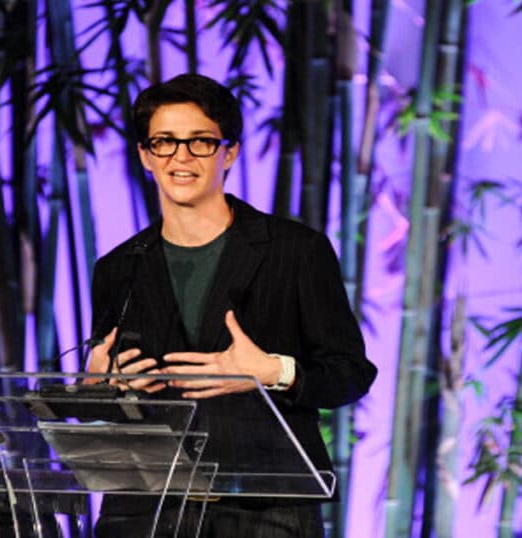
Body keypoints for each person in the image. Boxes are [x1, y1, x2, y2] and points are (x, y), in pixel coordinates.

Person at [84, 73, 377, 538]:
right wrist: (98, 383)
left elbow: (350, 373)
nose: (181, 157)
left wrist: (272, 372)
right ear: (145, 155)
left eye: (200, 142)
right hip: (143, 510)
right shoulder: (119, 267)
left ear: (230, 152)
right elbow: (110, 400)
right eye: (164, 142)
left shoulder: (295, 250)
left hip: (265, 511)